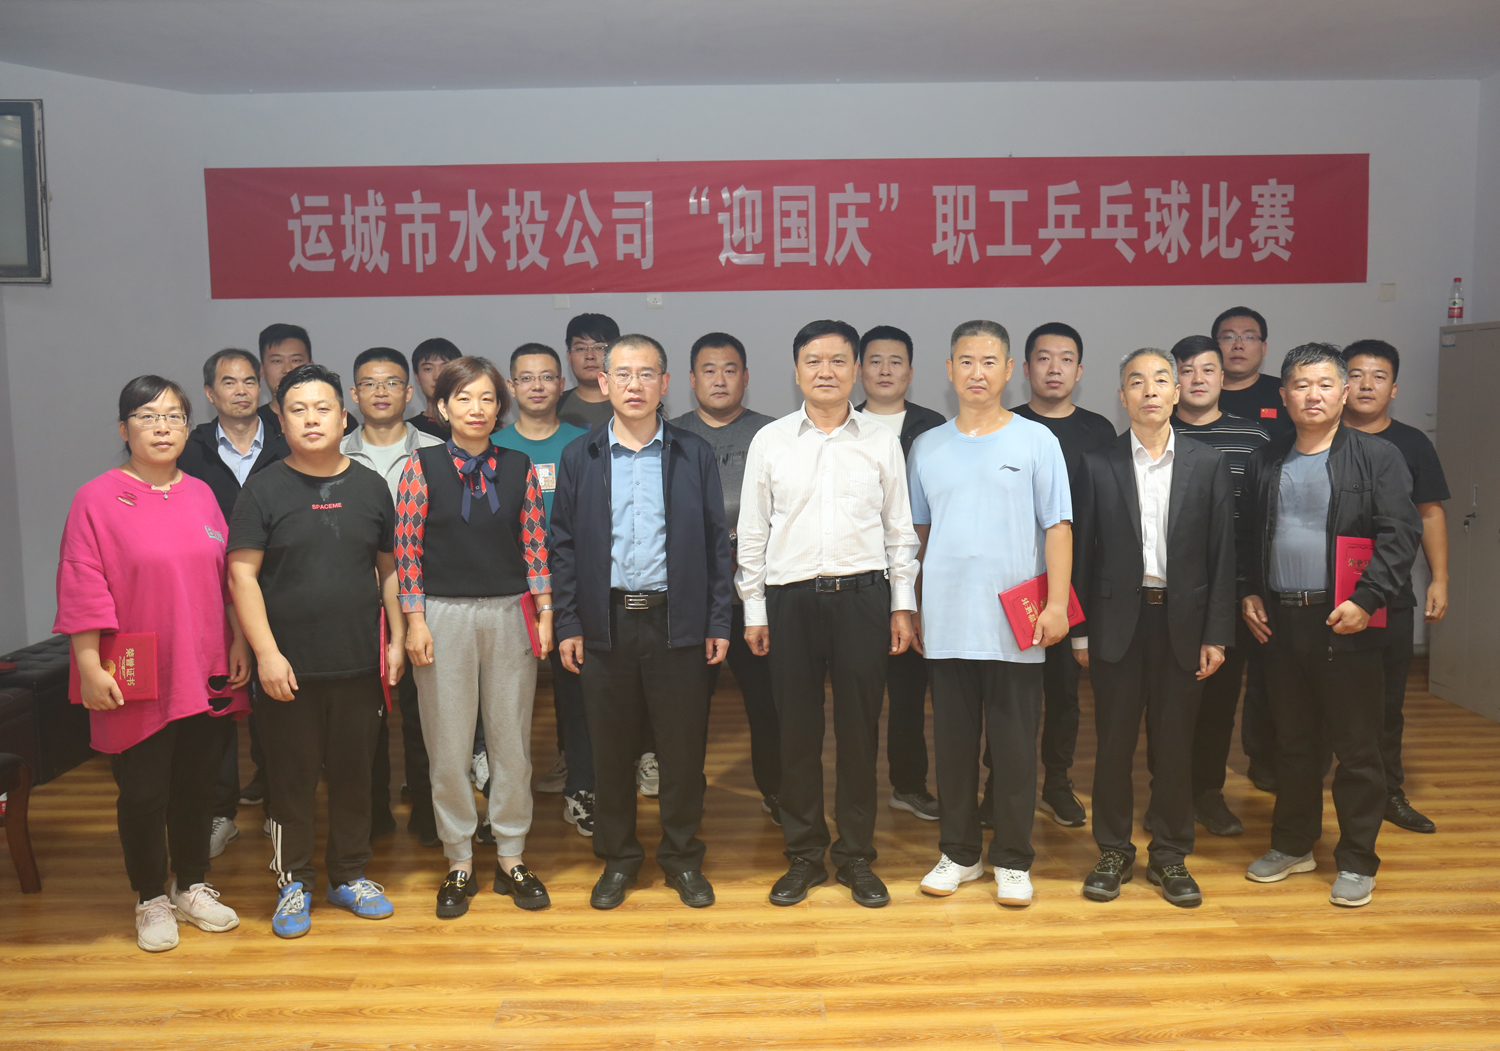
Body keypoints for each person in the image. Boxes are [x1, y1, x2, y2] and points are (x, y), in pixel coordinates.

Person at [55, 376, 251, 952]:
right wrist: (89, 665)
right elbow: (82, 584)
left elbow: (228, 578)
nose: (162, 427)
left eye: (173, 416)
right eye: (147, 416)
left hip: (205, 663)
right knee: (143, 791)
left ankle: (191, 885)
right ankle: (149, 897)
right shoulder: (96, 498)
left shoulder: (201, 493)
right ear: (124, 429)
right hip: (134, 670)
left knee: (197, 784)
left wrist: (240, 641)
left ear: (187, 428)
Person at [738, 319, 920, 910]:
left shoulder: (880, 440)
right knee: (796, 733)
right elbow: (752, 534)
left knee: (859, 732)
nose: (826, 371)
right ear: (796, 371)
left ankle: (856, 856)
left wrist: (902, 605)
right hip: (790, 601)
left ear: (856, 370)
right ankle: (804, 854)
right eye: (813, 361)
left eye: (839, 361)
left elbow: (899, 531)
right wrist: (754, 608)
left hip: (864, 599)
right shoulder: (770, 441)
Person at [551, 334, 733, 910]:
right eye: (623, 374)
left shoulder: (691, 453)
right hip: (604, 624)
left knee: (681, 752)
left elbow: (716, 543)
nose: (635, 385)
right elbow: (563, 546)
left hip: (676, 623)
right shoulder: (580, 455)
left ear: (665, 383)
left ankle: (682, 858)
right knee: (610, 752)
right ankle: (619, 859)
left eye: (647, 374)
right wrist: (568, 623)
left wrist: (717, 621)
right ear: (603, 383)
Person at [227, 363, 406, 938]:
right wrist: (266, 654)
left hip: (358, 663)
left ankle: (350, 874)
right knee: (291, 780)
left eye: (322, 408)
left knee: (356, 775)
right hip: (288, 668)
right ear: (280, 421)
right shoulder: (263, 488)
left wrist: (397, 639)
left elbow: (388, 570)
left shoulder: (370, 486)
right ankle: (293, 881)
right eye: (298, 410)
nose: (311, 419)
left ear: (343, 417)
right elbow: (241, 576)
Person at [1241, 344, 1422, 908]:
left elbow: (1400, 534)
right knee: (1294, 742)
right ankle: (1293, 844)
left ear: (1343, 393)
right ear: (1284, 395)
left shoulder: (1377, 456)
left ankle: (1357, 860)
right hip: (1282, 619)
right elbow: (1250, 533)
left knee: (1358, 748)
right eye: (1301, 385)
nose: (1312, 395)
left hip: (1348, 620)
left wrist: (1367, 599)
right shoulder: (1268, 458)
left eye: (1324, 384)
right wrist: (1250, 590)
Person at [908, 321, 1072, 907]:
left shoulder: (1037, 441)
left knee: (1014, 750)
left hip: (1016, 625)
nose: (976, 373)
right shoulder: (927, 446)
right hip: (947, 621)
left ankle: (1013, 859)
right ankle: (959, 854)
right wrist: (912, 605)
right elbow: (917, 535)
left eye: (988, 362)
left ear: (1008, 371)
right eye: (965, 361)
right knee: (953, 749)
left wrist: (1057, 604)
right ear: (949, 370)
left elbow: (1058, 527)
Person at [1073, 349, 1236, 908]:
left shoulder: (1207, 463)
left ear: (1176, 392)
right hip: (1117, 623)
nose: (1150, 390)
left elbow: (1222, 554)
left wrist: (1217, 633)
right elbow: (1081, 555)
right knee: (1114, 745)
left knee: (1174, 746)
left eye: (1161, 380)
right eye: (1137, 382)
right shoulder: (1098, 463)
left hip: (1183, 623)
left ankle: (1169, 853)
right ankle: (1113, 851)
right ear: (1122, 396)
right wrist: (1080, 631)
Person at [397, 356, 556, 918]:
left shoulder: (519, 466)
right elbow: (407, 551)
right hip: (442, 617)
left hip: (511, 614)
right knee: (448, 747)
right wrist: (414, 620)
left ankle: (511, 855)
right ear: (442, 407)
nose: (476, 409)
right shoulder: (420, 467)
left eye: (487, 398)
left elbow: (535, 544)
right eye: (463, 398)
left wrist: (545, 611)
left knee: (512, 743)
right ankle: (459, 859)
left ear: (499, 406)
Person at [1008, 322, 1116, 828]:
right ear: (1026, 368)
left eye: (1066, 358)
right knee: (1009, 692)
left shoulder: (1099, 432)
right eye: (1044, 358)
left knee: (1065, 691)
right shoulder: (1006, 424)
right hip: (1016, 581)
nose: (1055, 368)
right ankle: (1000, 785)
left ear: (1080, 369)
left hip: (1075, 582)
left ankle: (1056, 782)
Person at [177, 348, 286, 855]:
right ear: (209, 392)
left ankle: (277, 804)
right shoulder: (189, 449)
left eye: (248, 381)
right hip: (210, 596)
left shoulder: (285, 440)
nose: (241, 391)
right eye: (228, 382)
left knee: (278, 702)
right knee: (217, 703)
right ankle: (221, 811)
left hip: (280, 590)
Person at [670, 332, 780, 822]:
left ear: (746, 377)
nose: (719, 379)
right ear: (692, 380)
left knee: (769, 707)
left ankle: (778, 794)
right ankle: (684, 802)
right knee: (686, 711)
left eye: (730, 369)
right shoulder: (670, 436)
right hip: (691, 602)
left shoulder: (773, 435)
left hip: (757, 601)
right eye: (709, 370)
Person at [1341, 339, 1449, 835]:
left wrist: (1440, 578)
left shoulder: (1411, 443)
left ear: (1394, 388)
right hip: (1321, 595)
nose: (1366, 385)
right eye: (1356, 374)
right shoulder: (1315, 435)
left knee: (1385, 701)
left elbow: (1429, 513)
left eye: (1378, 376)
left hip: (1387, 592)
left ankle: (1388, 791)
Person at [340, 347, 444, 847]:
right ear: (353, 394)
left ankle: (429, 816)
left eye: (391, 383)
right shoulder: (334, 453)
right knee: (363, 721)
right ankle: (372, 817)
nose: (380, 392)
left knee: (427, 716)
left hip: (426, 602)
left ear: (409, 393)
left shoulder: (438, 452)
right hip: (357, 604)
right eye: (369, 383)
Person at [1169, 334, 1272, 838]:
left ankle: (1207, 792)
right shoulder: (1154, 431)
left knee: (1218, 699)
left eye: (1207, 369)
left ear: (1222, 376)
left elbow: (1260, 523)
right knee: (1169, 699)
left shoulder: (1253, 439)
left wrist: (1249, 585)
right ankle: (1169, 794)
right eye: (1186, 370)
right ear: (1173, 379)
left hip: (1228, 591)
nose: (1198, 379)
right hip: (1166, 591)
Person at [494, 344, 593, 836]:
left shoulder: (586, 443)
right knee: (505, 698)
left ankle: (582, 788)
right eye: (526, 377)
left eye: (547, 376)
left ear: (562, 384)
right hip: (509, 590)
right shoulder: (492, 445)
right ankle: (501, 800)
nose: (537, 386)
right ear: (511, 387)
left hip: (573, 588)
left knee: (578, 693)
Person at [855, 324, 945, 823]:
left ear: (910, 371)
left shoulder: (934, 428)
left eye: (895, 361)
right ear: (858, 370)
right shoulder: (842, 424)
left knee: (910, 692)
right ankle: (858, 791)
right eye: (875, 360)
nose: (885, 370)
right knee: (861, 693)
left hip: (918, 578)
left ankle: (908, 785)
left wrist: (923, 592)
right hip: (860, 579)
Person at [1213, 306, 1292, 436]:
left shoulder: (1286, 393)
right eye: (1228, 337)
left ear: (1263, 348)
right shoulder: (1198, 394)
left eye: (1249, 337)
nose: (1238, 345)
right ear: (1213, 347)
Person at [555, 313, 620, 430]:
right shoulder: (553, 405)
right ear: (569, 357)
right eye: (580, 349)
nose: (590, 356)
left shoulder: (632, 402)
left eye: (600, 347)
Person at [255, 323, 312, 439]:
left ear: (311, 368)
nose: (288, 369)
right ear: (262, 370)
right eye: (277, 361)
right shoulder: (252, 424)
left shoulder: (333, 419)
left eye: (296, 360)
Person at [409, 338, 462, 439]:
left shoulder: (476, 425)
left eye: (445, 368)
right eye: (428, 369)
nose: (437, 376)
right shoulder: (407, 431)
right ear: (417, 377)